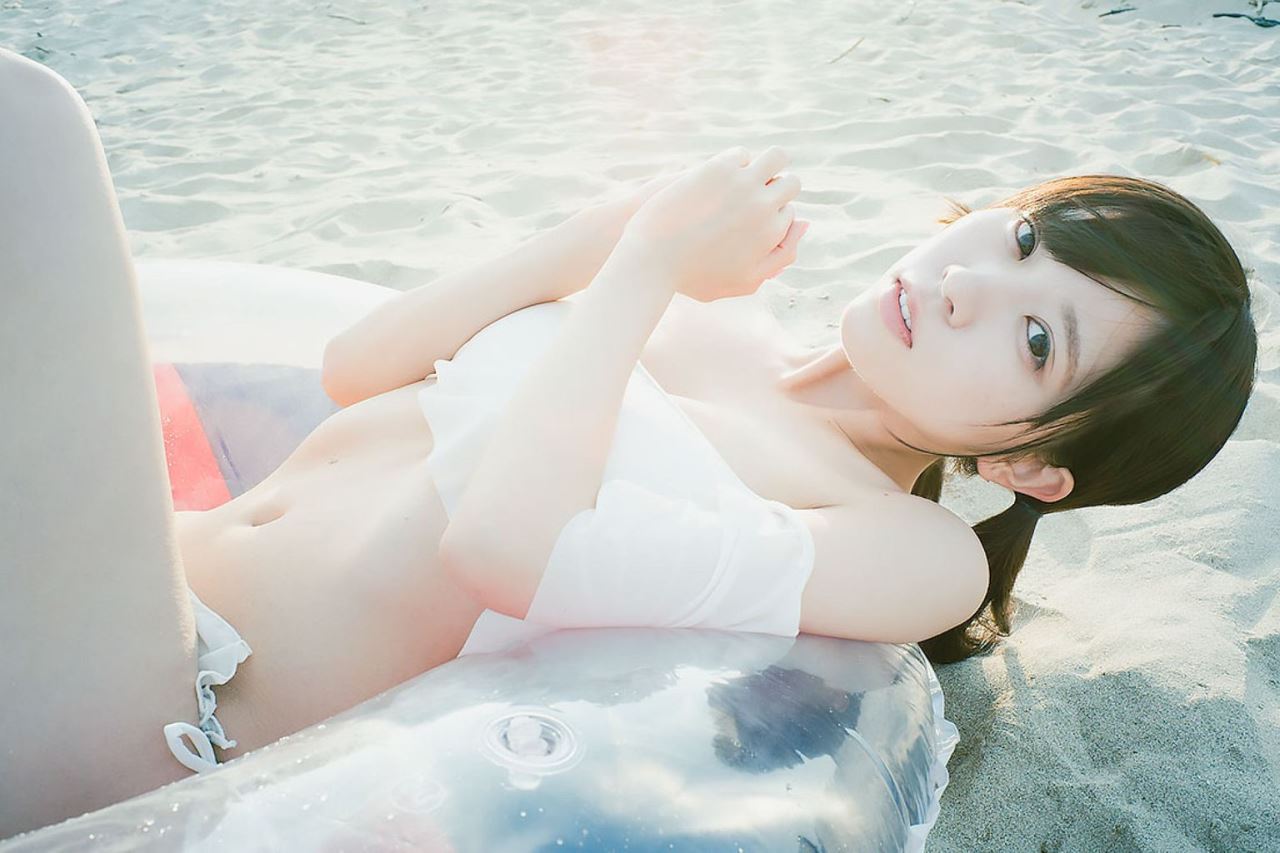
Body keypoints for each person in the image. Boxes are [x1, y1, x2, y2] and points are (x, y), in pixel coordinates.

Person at [0, 49, 1256, 838]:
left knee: (28, 126)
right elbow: (356, 367)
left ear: (1032, 467)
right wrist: (602, 236)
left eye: (1036, 341)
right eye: (1023, 238)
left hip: (169, 721)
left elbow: (504, 548)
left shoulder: (917, 550)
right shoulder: (715, 312)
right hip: (141, 567)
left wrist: (644, 262)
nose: (975, 282)